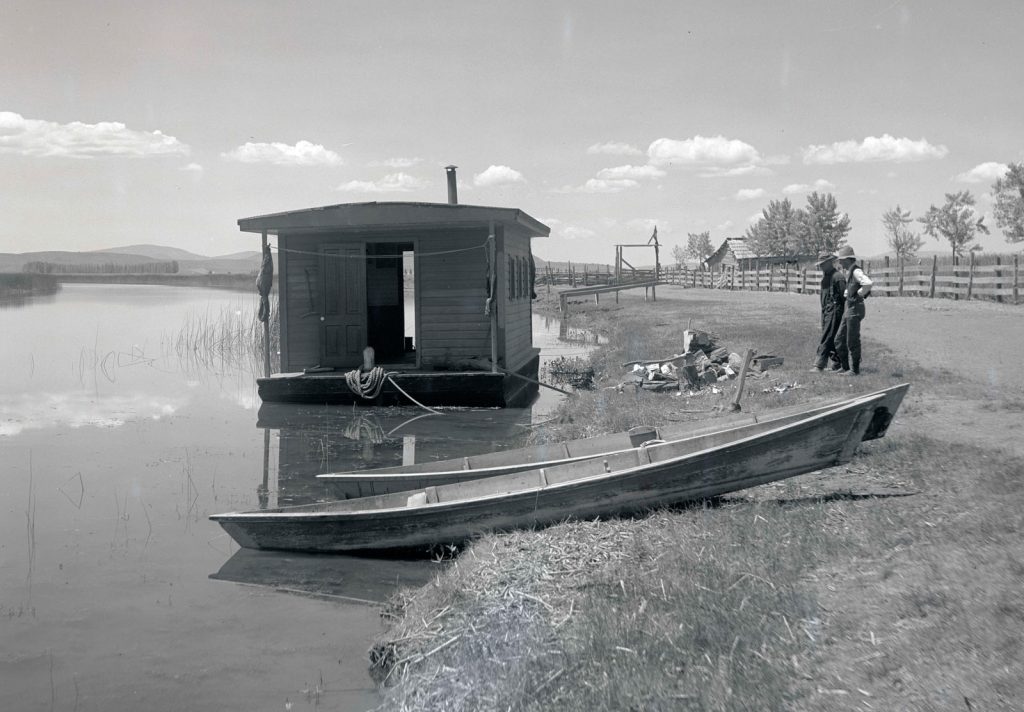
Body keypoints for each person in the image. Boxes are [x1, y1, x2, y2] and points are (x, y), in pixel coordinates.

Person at [833, 245, 873, 376]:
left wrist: (859, 294)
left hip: (855, 308)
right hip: (849, 308)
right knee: (839, 339)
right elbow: (850, 288)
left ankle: (854, 369)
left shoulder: (856, 271)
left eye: (841, 260)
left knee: (852, 340)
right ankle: (845, 367)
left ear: (848, 259)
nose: (840, 262)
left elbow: (868, 283)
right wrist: (848, 293)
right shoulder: (850, 272)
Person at [810, 252, 845, 372]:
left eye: (823, 264)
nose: (821, 267)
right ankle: (838, 362)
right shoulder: (825, 278)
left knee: (827, 336)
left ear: (830, 263)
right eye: (820, 264)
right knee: (832, 337)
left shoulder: (838, 277)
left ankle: (819, 365)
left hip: (835, 311)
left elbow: (843, 296)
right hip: (826, 311)